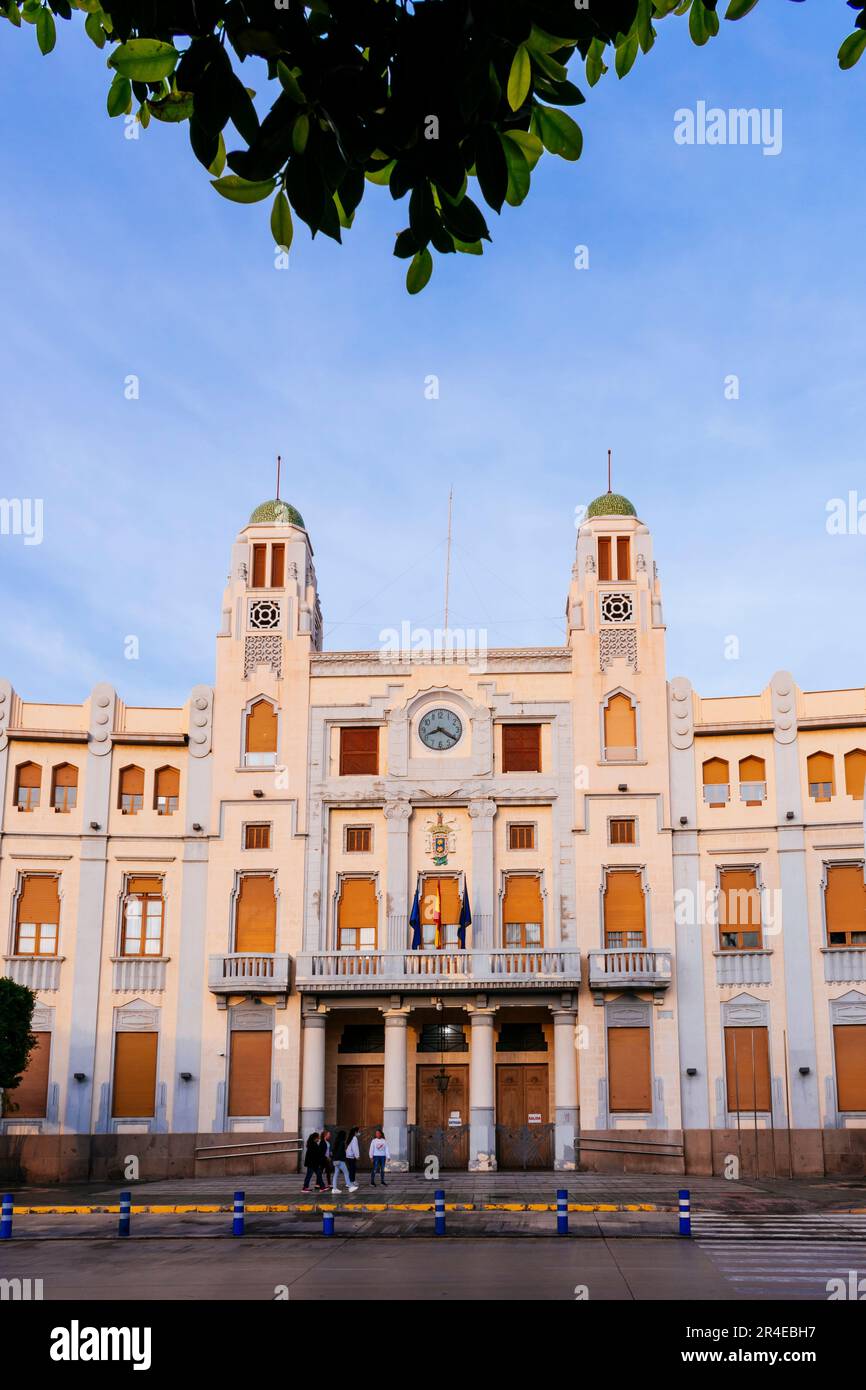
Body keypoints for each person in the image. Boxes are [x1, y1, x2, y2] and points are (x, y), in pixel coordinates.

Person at [331, 1129, 358, 1194]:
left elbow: (333, 1152)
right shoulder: (341, 1142)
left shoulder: (336, 1142)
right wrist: (343, 1157)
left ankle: (334, 1189)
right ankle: (350, 1186)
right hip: (340, 1160)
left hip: (335, 1160)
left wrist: (334, 1159)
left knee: (336, 1174)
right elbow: (341, 1152)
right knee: (346, 1173)